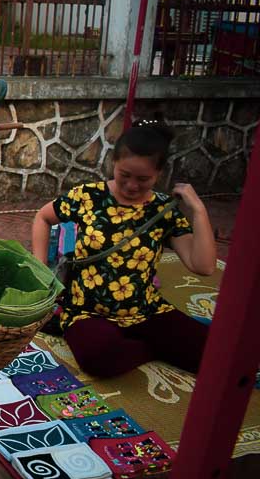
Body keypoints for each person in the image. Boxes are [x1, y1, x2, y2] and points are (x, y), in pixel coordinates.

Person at [31, 121, 217, 379]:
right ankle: (151, 348)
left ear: (159, 174)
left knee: (214, 355)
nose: (131, 186)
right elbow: (43, 218)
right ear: (113, 164)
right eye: (124, 175)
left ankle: (142, 342)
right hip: (87, 309)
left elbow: (204, 266)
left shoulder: (163, 211)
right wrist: (41, 272)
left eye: (143, 179)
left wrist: (198, 209)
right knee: (98, 358)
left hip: (144, 309)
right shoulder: (87, 196)